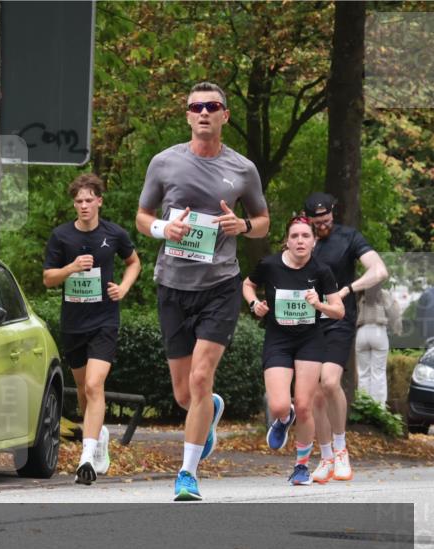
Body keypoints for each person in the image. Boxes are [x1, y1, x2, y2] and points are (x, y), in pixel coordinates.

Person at [136, 81, 270, 501]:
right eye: (196, 107)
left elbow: (263, 220)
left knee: (199, 377)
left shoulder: (243, 169)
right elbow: (142, 215)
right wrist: (163, 228)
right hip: (173, 285)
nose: (204, 113)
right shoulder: (164, 163)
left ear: (225, 115)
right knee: (183, 394)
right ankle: (209, 410)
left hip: (220, 285)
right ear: (188, 115)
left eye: (213, 106)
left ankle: (187, 474)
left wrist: (243, 226)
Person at [43, 173, 141, 484]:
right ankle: (99, 438)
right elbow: (48, 279)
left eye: (89, 200)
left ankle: (86, 458)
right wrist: (71, 268)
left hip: (104, 320)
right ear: (74, 204)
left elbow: (134, 262)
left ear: (99, 201)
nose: (84, 205)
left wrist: (123, 288)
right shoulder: (61, 236)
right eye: (78, 201)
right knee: (85, 393)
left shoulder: (114, 234)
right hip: (74, 323)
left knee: (95, 386)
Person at [243, 216, 344, 485]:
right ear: (286, 240)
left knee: (304, 405)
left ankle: (301, 466)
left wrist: (319, 304)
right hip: (278, 339)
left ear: (313, 241)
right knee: (278, 406)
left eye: (305, 236)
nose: (300, 241)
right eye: (295, 236)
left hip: (310, 340)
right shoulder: (269, 265)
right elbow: (247, 284)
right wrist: (254, 305)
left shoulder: (322, 271)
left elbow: (339, 310)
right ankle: (283, 419)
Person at [302, 192, 389, 483]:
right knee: (314, 392)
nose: (322, 226)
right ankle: (325, 457)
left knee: (329, 382)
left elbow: (379, 270)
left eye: (326, 220)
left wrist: (348, 289)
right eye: (317, 222)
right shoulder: (302, 240)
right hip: (308, 321)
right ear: (309, 220)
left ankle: (341, 450)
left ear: (333, 214)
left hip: (339, 318)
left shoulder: (349, 237)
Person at [356, 286, 402, 405]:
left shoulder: (359, 294)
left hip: (361, 332)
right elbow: (394, 312)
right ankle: (378, 407)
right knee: (378, 372)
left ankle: (363, 405)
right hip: (378, 331)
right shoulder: (383, 293)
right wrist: (397, 330)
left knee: (363, 373)